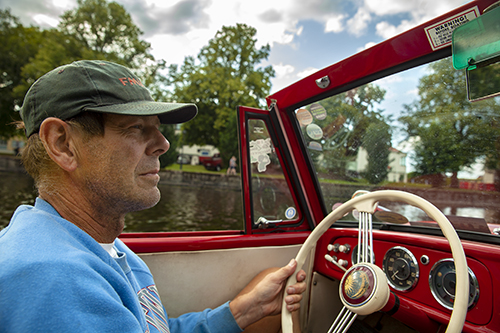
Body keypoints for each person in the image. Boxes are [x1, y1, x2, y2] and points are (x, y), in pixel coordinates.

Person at [0, 60, 306, 332]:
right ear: (63, 144)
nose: (163, 144)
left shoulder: (100, 246)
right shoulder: (53, 278)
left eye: (157, 129)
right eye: (136, 127)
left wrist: (244, 310)